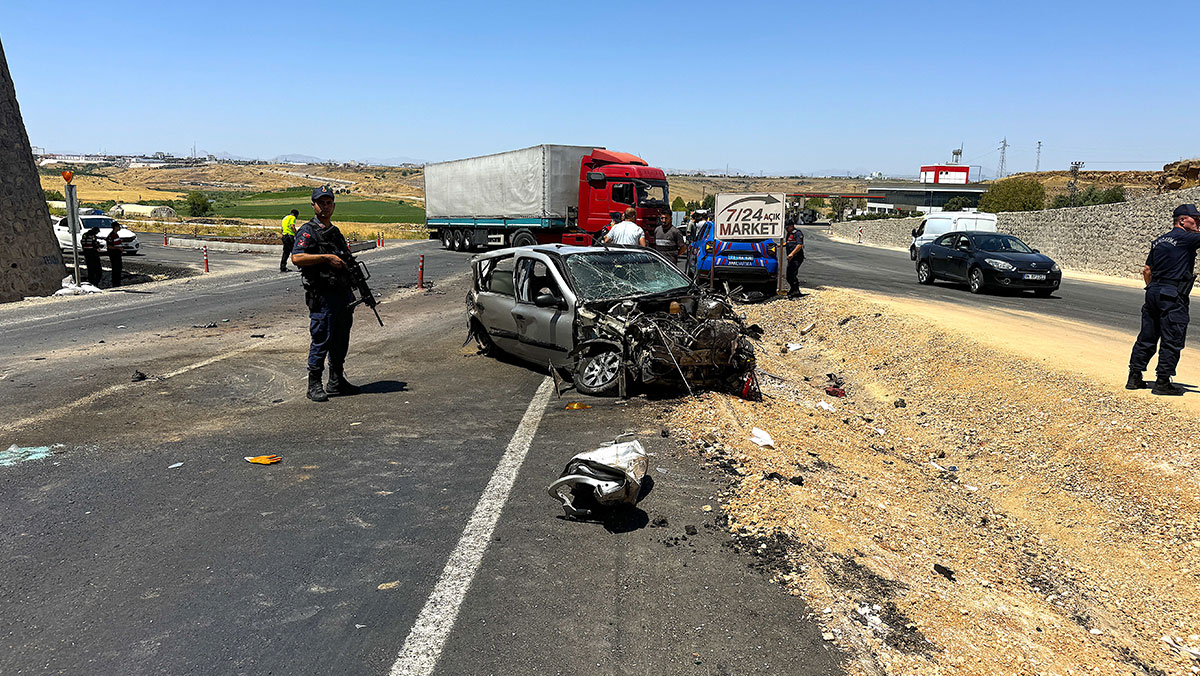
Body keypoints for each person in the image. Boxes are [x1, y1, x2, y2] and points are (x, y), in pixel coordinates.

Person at [290, 186, 361, 402]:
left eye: (329, 202)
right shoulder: (308, 231)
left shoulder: (335, 232)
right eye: (321, 202)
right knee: (322, 339)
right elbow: (297, 258)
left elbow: (347, 258)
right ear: (313, 205)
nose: (325, 206)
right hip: (322, 295)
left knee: (341, 339)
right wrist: (325, 258)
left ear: (333, 205)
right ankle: (314, 385)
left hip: (342, 294)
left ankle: (336, 381)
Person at [1127, 203, 1200, 395]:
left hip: (1153, 292)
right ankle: (1162, 382)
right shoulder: (1187, 238)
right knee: (1172, 338)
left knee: (1147, 336)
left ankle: (1134, 377)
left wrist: (1151, 287)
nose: (1199, 222)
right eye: (1196, 219)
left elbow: (1147, 270)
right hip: (1173, 294)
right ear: (1182, 220)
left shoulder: (1159, 241)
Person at [785, 221, 805, 297]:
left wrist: (792, 254)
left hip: (797, 257)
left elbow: (799, 245)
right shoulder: (789, 234)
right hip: (791, 258)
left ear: (792, 226)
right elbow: (788, 242)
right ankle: (793, 289)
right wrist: (780, 245)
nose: (786, 229)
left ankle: (796, 291)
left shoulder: (797, 233)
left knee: (792, 274)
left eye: (787, 227)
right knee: (788, 275)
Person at [105, 223, 124, 287]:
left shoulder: (116, 235)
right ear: (115, 227)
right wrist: (118, 248)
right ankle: (115, 283)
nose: (119, 227)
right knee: (115, 268)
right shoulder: (111, 235)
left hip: (118, 254)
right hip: (114, 254)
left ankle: (118, 282)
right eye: (118, 226)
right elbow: (109, 246)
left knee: (119, 268)